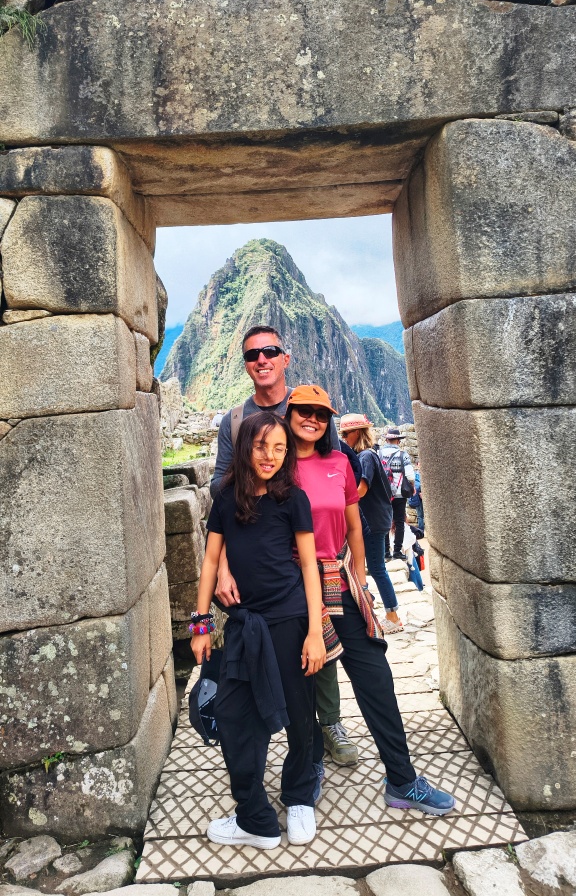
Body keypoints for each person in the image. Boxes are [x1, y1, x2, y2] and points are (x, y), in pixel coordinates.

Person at [285, 385, 456, 816]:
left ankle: (401, 778)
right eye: (302, 411)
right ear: (288, 415)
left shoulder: (339, 462)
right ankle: (306, 773)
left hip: (338, 581)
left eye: (320, 413)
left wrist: (359, 574)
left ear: (329, 421)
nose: (312, 419)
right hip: (290, 585)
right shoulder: (275, 464)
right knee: (301, 682)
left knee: (375, 675)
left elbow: (354, 524)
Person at [211, 323, 358, 768]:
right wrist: (221, 567)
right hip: (264, 556)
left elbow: (335, 466)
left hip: (312, 548)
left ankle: (327, 722)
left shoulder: (306, 407)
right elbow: (221, 491)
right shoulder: (236, 422)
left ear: (285, 358)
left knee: (320, 635)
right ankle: (272, 729)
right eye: (253, 354)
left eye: (270, 351)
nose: (262, 360)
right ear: (246, 364)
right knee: (260, 642)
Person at [191, 411, 326, 849]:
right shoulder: (228, 500)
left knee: (300, 714)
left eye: (279, 448)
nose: (270, 456)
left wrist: (314, 632)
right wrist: (201, 625)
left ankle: (300, 796)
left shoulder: (293, 499)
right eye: (261, 446)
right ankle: (254, 818)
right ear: (246, 447)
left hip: (289, 621)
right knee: (233, 715)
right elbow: (211, 562)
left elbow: (309, 565)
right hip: (246, 625)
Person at [339, 413, 403, 634]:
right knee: (373, 567)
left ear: (357, 433)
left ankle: (393, 616)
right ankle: (378, 608)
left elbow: (361, 490)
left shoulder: (365, 457)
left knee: (377, 568)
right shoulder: (371, 453)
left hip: (373, 520)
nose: (345, 438)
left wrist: (340, 502)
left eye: (346, 434)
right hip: (379, 517)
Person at [379, 427, 415, 561]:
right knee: (399, 521)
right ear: (398, 441)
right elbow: (410, 475)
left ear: (387, 439)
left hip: (384, 493)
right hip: (399, 493)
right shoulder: (402, 454)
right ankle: (397, 551)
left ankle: (385, 552)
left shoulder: (380, 453)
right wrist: (412, 486)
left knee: (386, 521)